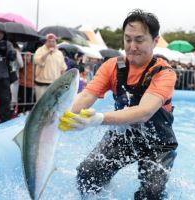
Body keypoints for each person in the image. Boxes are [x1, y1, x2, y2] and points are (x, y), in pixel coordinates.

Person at [58, 9, 178, 199]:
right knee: (87, 175)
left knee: (151, 193)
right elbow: (86, 96)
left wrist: (99, 118)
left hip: (157, 143)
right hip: (123, 136)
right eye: (127, 39)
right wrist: (61, 116)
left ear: (155, 41)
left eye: (139, 40)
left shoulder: (164, 73)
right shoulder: (112, 66)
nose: (132, 46)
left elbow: (144, 111)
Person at [33, 33, 67, 101]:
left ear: (55, 42)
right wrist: (48, 52)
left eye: (53, 41)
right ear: (46, 41)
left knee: (52, 103)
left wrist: (63, 82)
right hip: (41, 82)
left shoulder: (59, 53)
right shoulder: (40, 50)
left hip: (55, 83)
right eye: (49, 41)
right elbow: (37, 61)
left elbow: (63, 68)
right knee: (40, 102)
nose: (51, 43)